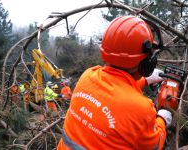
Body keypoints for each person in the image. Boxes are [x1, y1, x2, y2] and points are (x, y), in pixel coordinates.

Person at [57, 16, 174, 150]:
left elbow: (115, 89)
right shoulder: (141, 108)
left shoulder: (88, 75)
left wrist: (146, 80)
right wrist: (163, 119)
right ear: (146, 61)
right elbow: (155, 145)